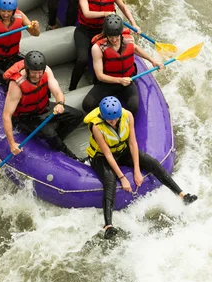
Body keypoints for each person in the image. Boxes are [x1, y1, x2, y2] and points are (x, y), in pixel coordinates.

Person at [84, 96, 198, 239]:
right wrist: (122, 177)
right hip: (100, 157)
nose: (113, 123)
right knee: (110, 181)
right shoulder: (97, 127)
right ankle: (108, 226)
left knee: (153, 163)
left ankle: (182, 195)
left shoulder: (127, 116)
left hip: (121, 150)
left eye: (115, 119)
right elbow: (107, 154)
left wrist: (137, 170)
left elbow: (132, 143)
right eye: (110, 121)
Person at [69, 0, 140, 91]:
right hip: (85, 30)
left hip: (104, 32)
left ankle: (98, 85)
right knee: (82, 59)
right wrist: (106, 13)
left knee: (109, 59)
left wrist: (133, 23)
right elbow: (86, 13)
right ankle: (72, 87)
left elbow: (123, 7)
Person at [2, 50, 83, 160]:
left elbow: (58, 92)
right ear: (27, 70)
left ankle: (57, 138)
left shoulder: (47, 71)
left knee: (78, 116)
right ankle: (72, 157)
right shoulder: (16, 85)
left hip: (44, 107)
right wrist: (12, 144)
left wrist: (60, 103)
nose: (37, 76)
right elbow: (6, 115)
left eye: (39, 72)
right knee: (50, 134)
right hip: (26, 116)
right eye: (34, 73)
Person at [82, 14, 163, 116]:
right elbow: (100, 76)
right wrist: (119, 80)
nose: (114, 40)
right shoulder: (97, 48)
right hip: (108, 82)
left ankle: (120, 121)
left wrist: (152, 60)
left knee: (133, 107)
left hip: (127, 80)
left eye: (116, 36)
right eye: (111, 37)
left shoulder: (129, 39)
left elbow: (136, 49)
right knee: (87, 105)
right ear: (106, 34)